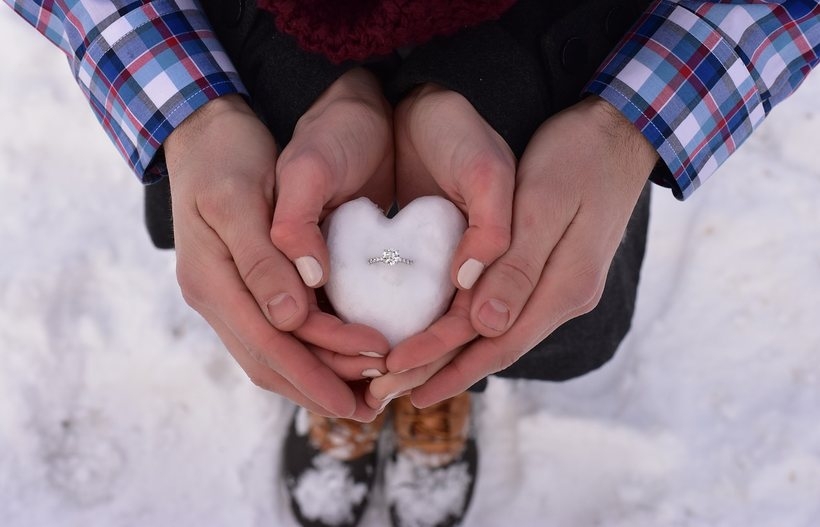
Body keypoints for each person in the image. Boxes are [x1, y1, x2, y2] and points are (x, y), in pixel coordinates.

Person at [6, 1, 818, 526]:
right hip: (259, 49)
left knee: (510, 272)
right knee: (289, 264)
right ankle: (348, 378)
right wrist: (193, 108)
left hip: (551, 62)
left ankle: (436, 387)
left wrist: (626, 123)